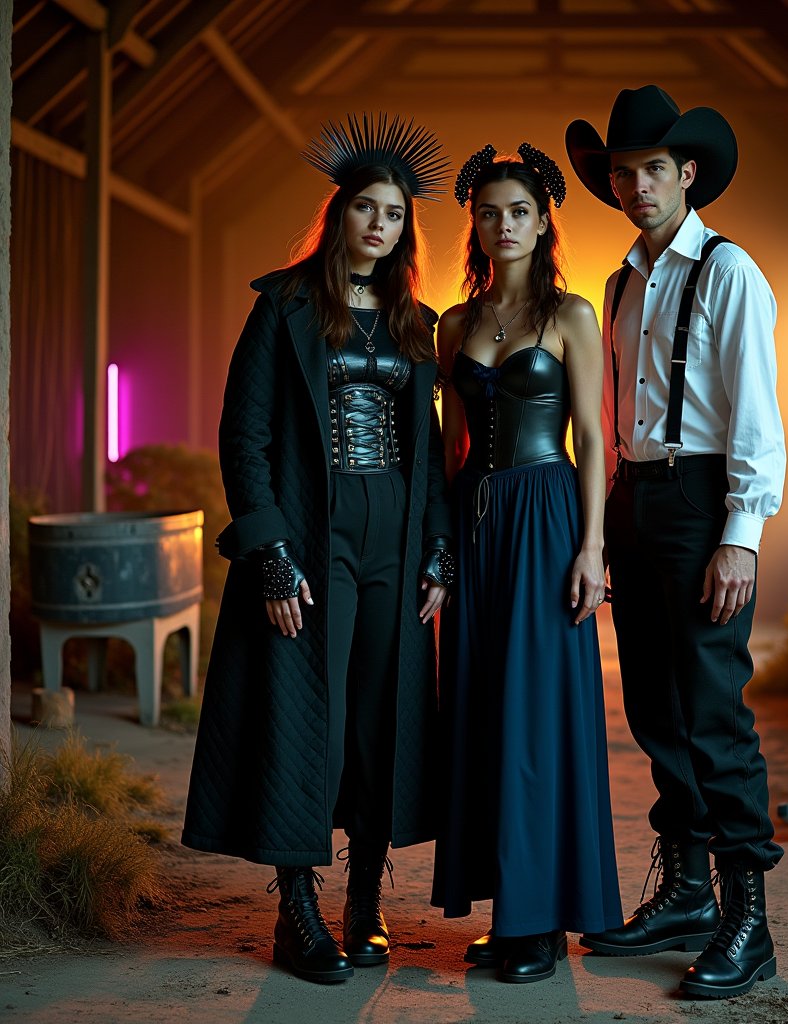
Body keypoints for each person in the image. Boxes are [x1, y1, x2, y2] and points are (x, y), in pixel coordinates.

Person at [181, 114, 454, 984]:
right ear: (338, 214)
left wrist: (439, 548)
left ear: (407, 229)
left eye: (396, 214)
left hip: (397, 540)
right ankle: (296, 909)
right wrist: (268, 551)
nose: (381, 224)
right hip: (313, 536)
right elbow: (243, 437)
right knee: (313, 722)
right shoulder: (284, 308)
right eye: (367, 208)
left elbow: (432, 449)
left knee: (380, 717)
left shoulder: (418, 324)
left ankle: (364, 903)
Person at [564, 86, 786, 999]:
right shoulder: (617, 283)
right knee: (655, 707)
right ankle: (690, 889)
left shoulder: (730, 272)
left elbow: (757, 420)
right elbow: (615, 415)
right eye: (621, 172)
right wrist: (608, 518)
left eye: (652, 169)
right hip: (635, 500)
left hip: (702, 505)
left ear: (686, 174)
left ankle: (749, 921)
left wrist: (741, 536)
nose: (636, 185)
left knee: (714, 712)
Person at [430, 144, 623, 984]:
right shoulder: (452, 324)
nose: (503, 224)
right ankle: (507, 905)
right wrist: (439, 548)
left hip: (547, 519)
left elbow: (594, 444)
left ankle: (542, 925)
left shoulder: (571, 314)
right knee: (479, 707)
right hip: (475, 522)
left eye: (519, 211)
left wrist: (592, 546)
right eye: (488, 211)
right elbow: (448, 450)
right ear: (473, 222)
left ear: (544, 222)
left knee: (537, 716)